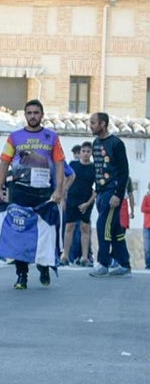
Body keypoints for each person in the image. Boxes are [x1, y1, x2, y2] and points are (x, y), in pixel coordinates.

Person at [0, 99, 66, 289]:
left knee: (45, 232)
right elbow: (4, 163)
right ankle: (21, 275)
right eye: (29, 113)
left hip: (44, 192)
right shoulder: (14, 137)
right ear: (25, 115)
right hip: (20, 190)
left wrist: (59, 190)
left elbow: (59, 164)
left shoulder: (52, 137)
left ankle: (43, 266)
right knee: (20, 233)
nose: (33, 116)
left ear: (42, 115)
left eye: (36, 113)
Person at [88, 111, 131, 277]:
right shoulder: (96, 143)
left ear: (103, 124)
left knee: (102, 226)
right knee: (114, 230)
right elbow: (98, 169)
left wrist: (117, 194)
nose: (90, 126)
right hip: (101, 192)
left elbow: (124, 171)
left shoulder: (116, 144)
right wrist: (96, 192)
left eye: (93, 122)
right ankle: (125, 264)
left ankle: (103, 264)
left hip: (112, 192)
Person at [61, 144, 95, 266]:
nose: (86, 153)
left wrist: (88, 203)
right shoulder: (73, 165)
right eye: (83, 151)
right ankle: (65, 256)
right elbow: (66, 181)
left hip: (86, 200)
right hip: (72, 199)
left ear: (91, 153)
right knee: (69, 227)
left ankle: (85, 257)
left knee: (85, 228)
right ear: (80, 152)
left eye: (88, 151)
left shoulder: (94, 168)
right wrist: (63, 198)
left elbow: (97, 189)